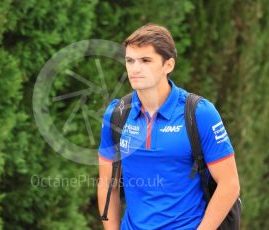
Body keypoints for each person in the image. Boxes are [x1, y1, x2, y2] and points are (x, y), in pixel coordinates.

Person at [97, 23, 240, 230]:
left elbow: (229, 184)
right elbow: (107, 184)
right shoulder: (117, 114)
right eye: (130, 60)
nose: (135, 68)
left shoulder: (199, 113)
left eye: (146, 60)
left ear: (168, 65)